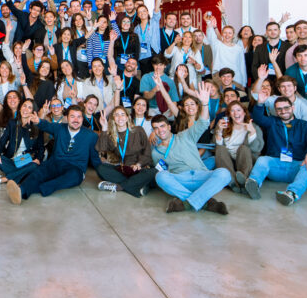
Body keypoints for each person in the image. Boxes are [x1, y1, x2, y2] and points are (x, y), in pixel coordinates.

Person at [152, 85, 231, 214]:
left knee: (224, 173)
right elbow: (163, 170)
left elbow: (203, 123)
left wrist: (205, 104)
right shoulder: (156, 152)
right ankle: (204, 201)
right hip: (181, 179)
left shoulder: (184, 135)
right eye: (156, 128)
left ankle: (188, 202)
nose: (160, 130)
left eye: (162, 126)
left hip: (201, 175)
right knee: (160, 176)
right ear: (154, 131)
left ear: (169, 127)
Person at [6, 104, 101, 204]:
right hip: (56, 163)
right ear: (67, 118)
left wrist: (104, 173)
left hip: (75, 168)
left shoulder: (91, 136)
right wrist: (38, 121)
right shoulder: (60, 128)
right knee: (38, 172)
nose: (76, 120)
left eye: (79, 117)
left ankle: (42, 188)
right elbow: (47, 125)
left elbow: (94, 158)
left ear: (82, 118)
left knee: (74, 177)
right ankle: (21, 191)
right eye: (72, 116)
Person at [247, 96, 307, 205]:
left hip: (295, 169)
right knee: (263, 160)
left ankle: (292, 193)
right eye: (279, 109)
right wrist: (259, 104)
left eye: (286, 108)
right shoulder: (272, 122)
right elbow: (258, 118)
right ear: (276, 111)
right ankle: (253, 183)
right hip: (275, 166)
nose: (283, 111)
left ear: (293, 108)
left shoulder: (305, 126)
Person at [95, 106, 156, 197]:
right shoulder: (112, 136)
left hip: (141, 168)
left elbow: (147, 152)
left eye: (123, 114)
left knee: (154, 172)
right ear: (113, 119)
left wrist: (138, 164)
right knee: (101, 168)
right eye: (117, 115)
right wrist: (104, 128)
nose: (120, 118)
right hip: (125, 170)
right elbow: (100, 148)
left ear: (127, 118)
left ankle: (119, 187)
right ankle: (136, 185)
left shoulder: (138, 130)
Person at [0, 105, 45, 185]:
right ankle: (22, 176)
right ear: (20, 108)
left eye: (29, 107)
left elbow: (41, 147)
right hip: (12, 160)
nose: (25, 109)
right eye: (24, 106)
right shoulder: (12, 123)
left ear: (33, 111)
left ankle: (4, 179)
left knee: (34, 165)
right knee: (0, 160)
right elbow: (2, 141)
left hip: (27, 161)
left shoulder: (37, 126)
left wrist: (38, 159)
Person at [213, 101, 264, 191]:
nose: (236, 113)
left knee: (243, 148)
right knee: (220, 149)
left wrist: (252, 132)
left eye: (238, 110)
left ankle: (243, 180)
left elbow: (257, 149)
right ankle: (233, 182)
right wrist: (219, 131)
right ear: (229, 115)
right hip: (229, 161)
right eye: (232, 111)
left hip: (246, 160)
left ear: (244, 112)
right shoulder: (224, 126)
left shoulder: (253, 127)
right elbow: (216, 148)